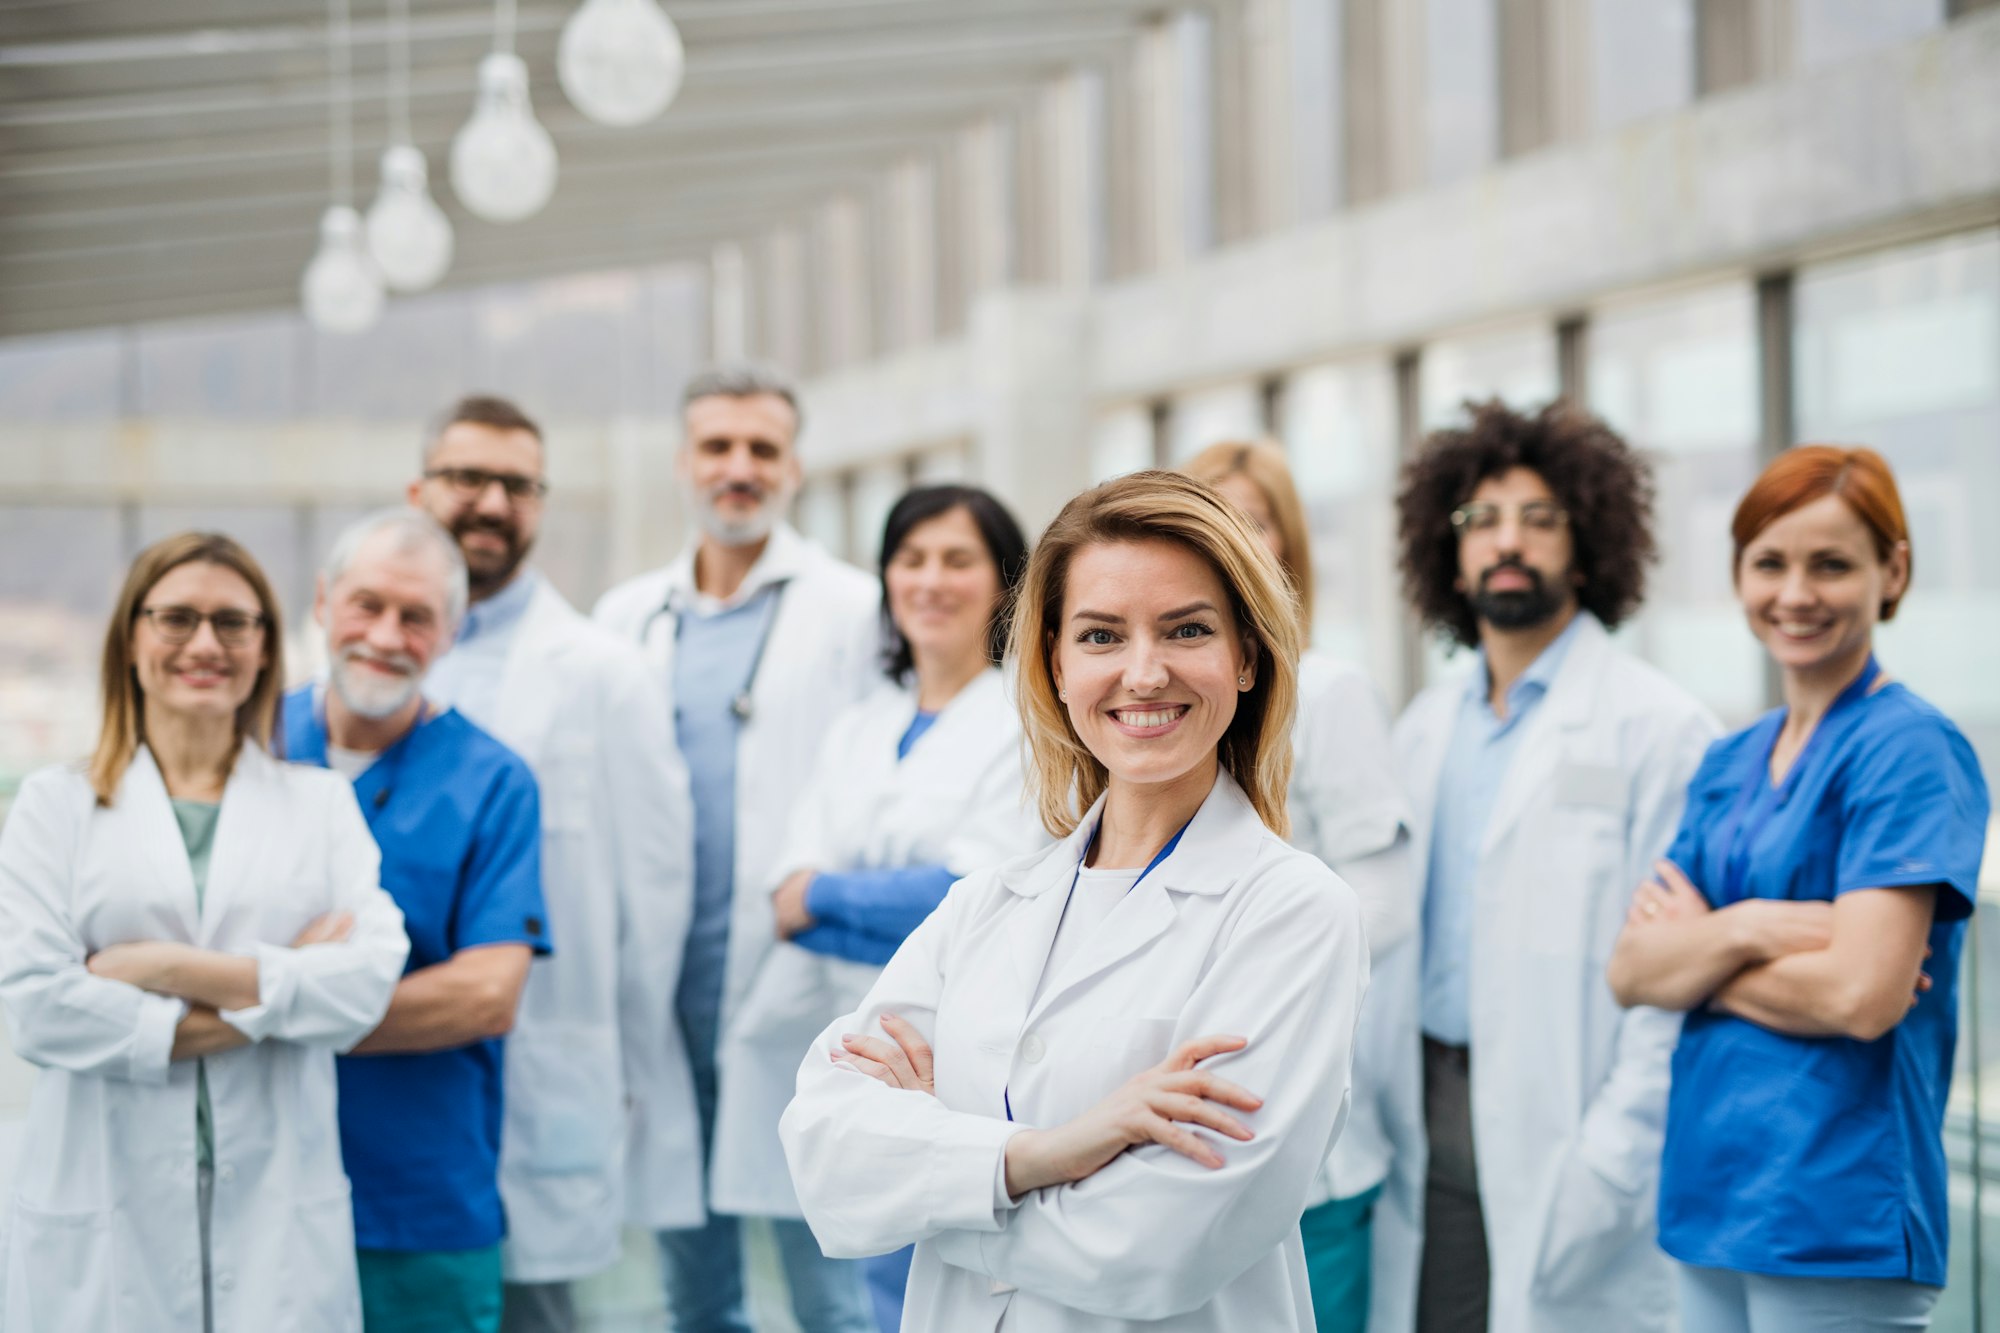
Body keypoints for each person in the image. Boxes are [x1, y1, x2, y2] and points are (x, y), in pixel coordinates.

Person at [780, 469, 1370, 1332]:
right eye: (1100, 635)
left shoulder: (1292, 912)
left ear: (1245, 656)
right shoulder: (985, 906)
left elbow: (1160, 1247)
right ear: (1055, 663)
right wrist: (1050, 1152)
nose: (1143, 671)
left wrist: (940, 1186)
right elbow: (825, 1154)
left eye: (1187, 629)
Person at [1607, 446, 1989, 1333]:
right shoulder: (1728, 760)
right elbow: (1629, 970)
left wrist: (1700, 952)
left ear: (1892, 570)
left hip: (1836, 1211)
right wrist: (1753, 928)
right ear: (1739, 574)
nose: (1796, 593)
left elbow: (1860, 996)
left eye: (1831, 564)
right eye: (1769, 562)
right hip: (1710, 1195)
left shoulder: (1911, 750)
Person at [0, 532, 409, 1333]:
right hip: (103, 1218)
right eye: (176, 617)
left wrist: (157, 965)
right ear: (130, 637)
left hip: (278, 1227)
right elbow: (38, 1004)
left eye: (233, 622)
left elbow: (365, 985)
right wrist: (288, 985)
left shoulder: (320, 804)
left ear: (264, 648)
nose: (205, 644)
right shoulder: (54, 805)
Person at [1391, 401, 1717, 1333]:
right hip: (1432, 1101)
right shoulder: (1422, 729)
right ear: (1446, 552)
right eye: (1482, 521)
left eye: (1540, 519)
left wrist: (1617, 1153)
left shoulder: (1659, 728)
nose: (1508, 542)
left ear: (1587, 544)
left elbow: (1679, 976)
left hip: (1576, 1105)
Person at [594, 364, 879, 1333]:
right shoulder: (626, 620)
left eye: (761, 449)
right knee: (695, 1293)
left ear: (793, 467)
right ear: (684, 463)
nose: (739, 467)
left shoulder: (853, 610)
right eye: (717, 446)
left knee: (827, 1286)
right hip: (665, 995)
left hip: (792, 989)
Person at [408, 395, 700, 1333]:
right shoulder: (376, 664)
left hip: (545, 1052)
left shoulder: (601, 671)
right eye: (467, 479)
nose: (491, 502)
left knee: (535, 1308)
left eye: (517, 485)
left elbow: (656, 894)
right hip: (394, 1063)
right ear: (419, 492)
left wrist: (624, 1055)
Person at [766, 483, 1044, 1333]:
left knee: (928, 1292)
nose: (931, 580)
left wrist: (828, 896)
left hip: (948, 1052)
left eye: (958, 560)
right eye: (911, 558)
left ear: (1004, 583)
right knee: (836, 1293)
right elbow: (784, 895)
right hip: (842, 1040)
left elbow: (972, 896)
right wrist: (842, 896)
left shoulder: (1026, 722)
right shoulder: (859, 724)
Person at [280, 509, 549, 1333]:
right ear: (324, 602)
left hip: (418, 1201)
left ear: (453, 631)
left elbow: (484, 995)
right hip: (256, 1182)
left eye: (417, 616)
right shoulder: (244, 746)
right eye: (367, 604)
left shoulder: (493, 780)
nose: (386, 635)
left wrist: (263, 1003)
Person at [1181, 441, 1420, 1333]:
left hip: (1305, 1130)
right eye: (1204, 516)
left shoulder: (1330, 692)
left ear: (1287, 548)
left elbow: (1385, 904)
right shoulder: (1158, 700)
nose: (1226, 539)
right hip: (1177, 1134)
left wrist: (1232, 977)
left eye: (1250, 519)